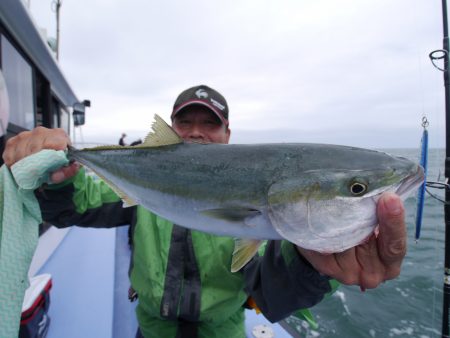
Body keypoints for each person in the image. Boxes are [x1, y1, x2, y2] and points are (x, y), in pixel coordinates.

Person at [2, 85, 406, 338]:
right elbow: (77, 208)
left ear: (228, 135)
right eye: (185, 121)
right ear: (170, 130)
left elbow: (276, 291)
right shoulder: (140, 186)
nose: (196, 132)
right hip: (151, 331)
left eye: (209, 124)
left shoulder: (266, 215)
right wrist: (59, 178)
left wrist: (315, 266)